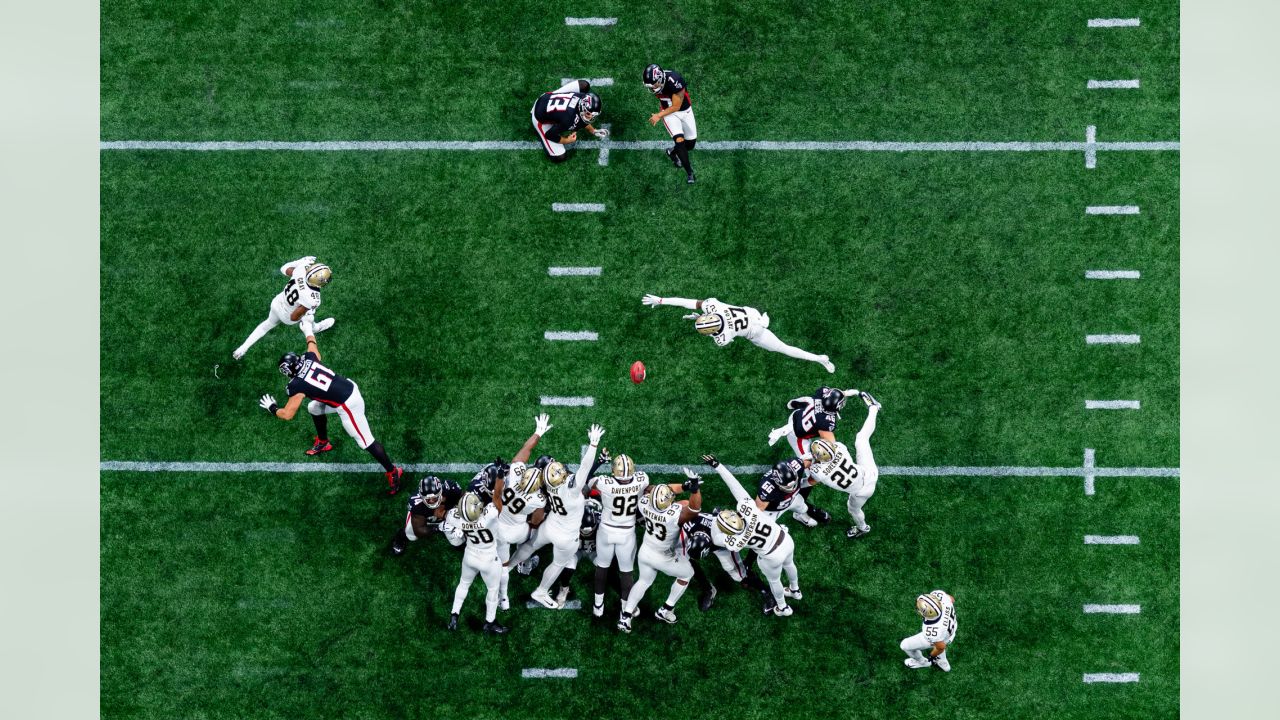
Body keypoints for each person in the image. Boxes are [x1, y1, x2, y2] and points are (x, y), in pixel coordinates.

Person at [257, 326, 403, 494]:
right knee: (314, 408)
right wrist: (307, 329)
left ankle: (393, 472)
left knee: (366, 441)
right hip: (349, 386)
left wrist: (273, 408)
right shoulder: (309, 358)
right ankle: (323, 442)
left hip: (348, 404)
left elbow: (288, 414)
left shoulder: (296, 385)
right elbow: (313, 347)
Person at [640, 294, 835, 373]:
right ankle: (820, 359)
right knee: (784, 347)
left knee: (785, 349)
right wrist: (661, 300)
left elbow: (690, 306)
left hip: (756, 332)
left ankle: (820, 359)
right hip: (752, 313)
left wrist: (660, 301)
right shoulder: (713, 305)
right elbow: (688, 302)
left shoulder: (723, 337)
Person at [233, 256, 334, 360]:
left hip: (277, 303)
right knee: (309, 319)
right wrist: (307, 314)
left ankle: (242, 349)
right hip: (287, 316)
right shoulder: (314, 298)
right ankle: (316, 328)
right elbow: (294, 317)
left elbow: (284, 269)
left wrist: (300, 261)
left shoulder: (301, 269)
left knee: (266, 325)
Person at [643, 64, 698, 184]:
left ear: (660, 79)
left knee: (690, 144)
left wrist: (658, 115)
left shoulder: (675, 80)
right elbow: (670, 108)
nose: (652, 88)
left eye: (654, 85)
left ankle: (672, 152)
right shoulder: (658, 83)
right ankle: (689, 172)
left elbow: (676, 106)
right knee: (679, 140)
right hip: (668, 114)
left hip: (684, 110)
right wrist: (662, 114)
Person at [531, 80, 608, 162]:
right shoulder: (569, 120)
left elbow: (582, 120)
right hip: (538, 116)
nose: (591, 117)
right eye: (589, 114)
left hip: (547, 97)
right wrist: (567, 140)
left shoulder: (582, 97)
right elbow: (549, 135)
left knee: (584, 85)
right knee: (560, 157)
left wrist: (593, 130)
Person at [901, 590, 957, 671]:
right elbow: (952, 599)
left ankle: (923, 662)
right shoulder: (941, 595)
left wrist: (932, 656)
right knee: (939, 640)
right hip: (951, 631)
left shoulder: (930, 630)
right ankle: (943, 663)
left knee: (904, 645)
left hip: (941, 638)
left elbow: (941, 647)